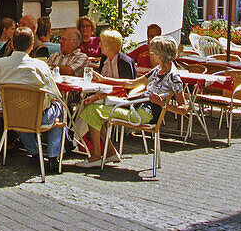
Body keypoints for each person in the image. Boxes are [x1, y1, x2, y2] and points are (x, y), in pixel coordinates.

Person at [78, 35, 186, 164]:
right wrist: (104, 79)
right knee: (94, 111)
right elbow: (131, 83)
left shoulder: (173, 77)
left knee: (92, 111)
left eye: (153, 52)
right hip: (136, 107)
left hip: (144, 114)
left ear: (159, 54)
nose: (151, 55)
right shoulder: (158, 70)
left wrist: (162, 104)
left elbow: (183, 109)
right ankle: (109, 154)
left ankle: (96, 156)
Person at [0, 25, 65, 173]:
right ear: (32, 46)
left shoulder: (0, 64)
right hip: (37, 117)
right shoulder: (40, 66)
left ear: (12, 44)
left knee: (19, 108)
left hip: (11, 116)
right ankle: (53, 157)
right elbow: (54, 95)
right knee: (60, 108)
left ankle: (34, 152)